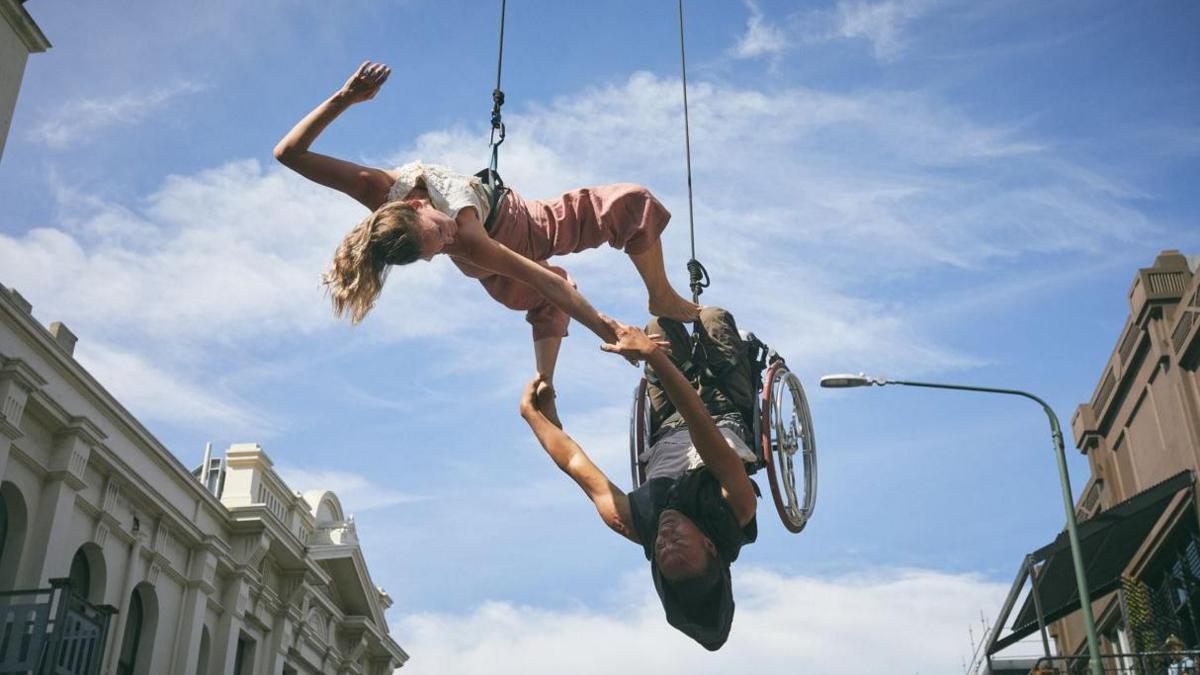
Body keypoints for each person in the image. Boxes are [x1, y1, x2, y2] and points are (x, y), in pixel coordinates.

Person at [274, 61, 700, 421]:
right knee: (558, 287)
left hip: (524, 223)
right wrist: (610, 329)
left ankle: (650, 303)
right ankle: (548, 384)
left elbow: (288, 153)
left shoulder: (376, 188)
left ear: (417, 206)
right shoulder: (467, 240)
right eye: (436, 252)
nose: (447, 241)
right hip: (501, 253)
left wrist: (345, 98)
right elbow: (550, 285)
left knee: (630, 204)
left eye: (439, 233)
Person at [519, 307, 759, 650]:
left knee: (659, 324)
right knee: (712, 319)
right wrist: (650, 355)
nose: (665, 537)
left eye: (661, 551)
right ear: (709, 545)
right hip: (720, 408)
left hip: (665, 423)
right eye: (678, 543)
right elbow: (701, 425)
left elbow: (574, 462)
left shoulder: (633, 522)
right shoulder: (734, 507)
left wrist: (533, 417)